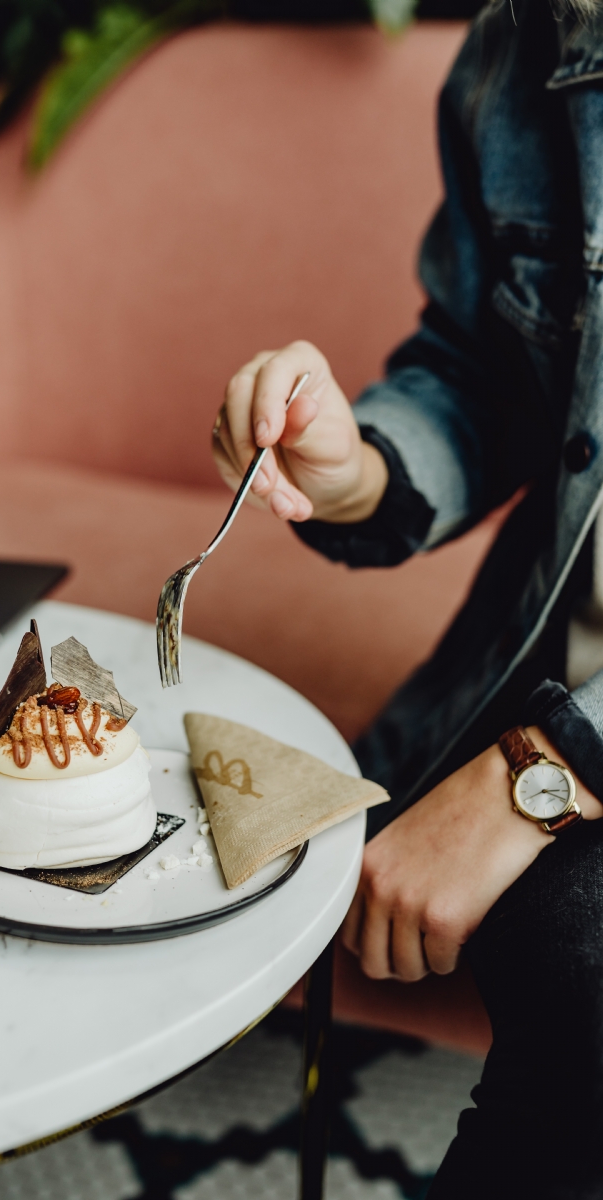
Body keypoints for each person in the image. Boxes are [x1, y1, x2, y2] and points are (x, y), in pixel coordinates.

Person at [211, 0, 603, 1194]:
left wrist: (549, 769)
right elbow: (490, 367)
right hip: (554, 666)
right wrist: (356, 468)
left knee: (568, 944)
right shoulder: (514, 48)